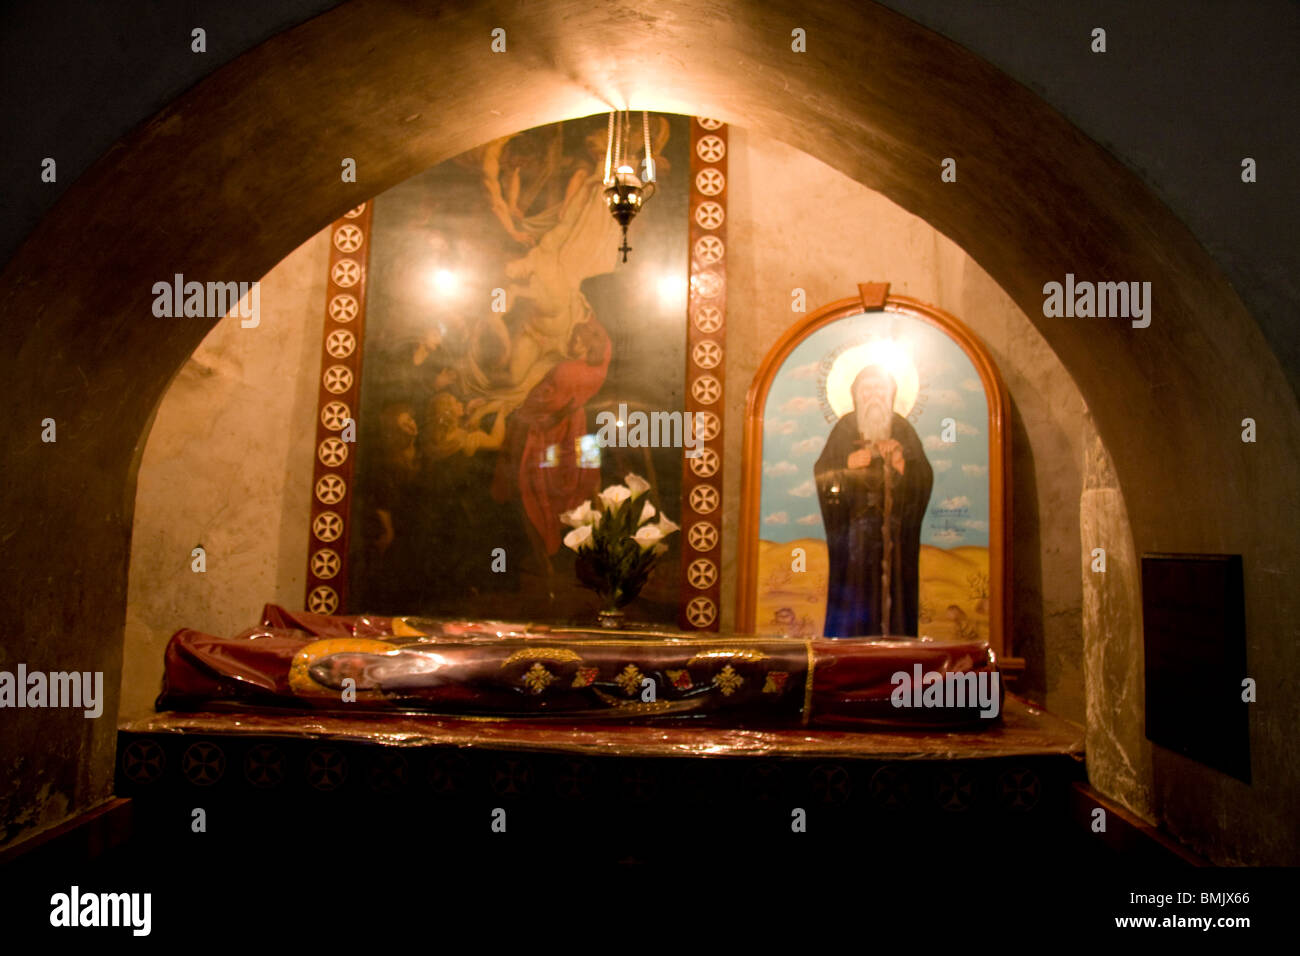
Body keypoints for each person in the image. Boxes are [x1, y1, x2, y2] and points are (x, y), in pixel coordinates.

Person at [814, 365, 933, 637]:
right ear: (856, 395)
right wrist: (846, 465)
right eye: (867, 390)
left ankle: (899, 647)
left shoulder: (903, 428)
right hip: (854, 536)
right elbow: (823, 473)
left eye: (880, 389)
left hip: (896, 537)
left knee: (896, 595)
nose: (874, 395)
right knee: (853, 593)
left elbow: (923, 478)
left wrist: (901, 462)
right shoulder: (844, 428)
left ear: (891, 394)